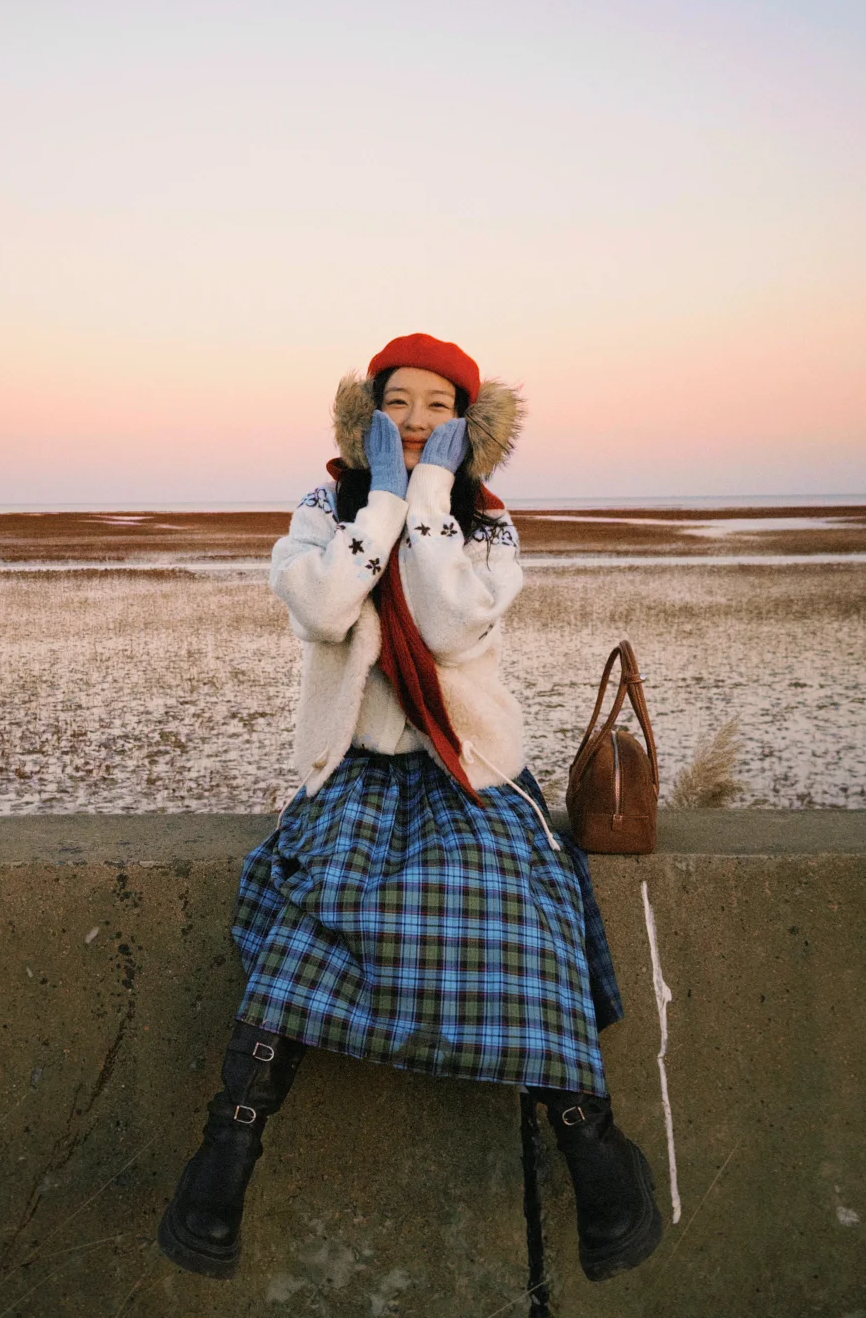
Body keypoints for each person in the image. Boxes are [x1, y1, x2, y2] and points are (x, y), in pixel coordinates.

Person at [157, 333, 663, 1283]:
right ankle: (226, 1154)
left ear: (470, 423)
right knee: (308, 912)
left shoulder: (488, 523)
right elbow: (321, 610)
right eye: (397, 402)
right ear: (368, 414)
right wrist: (382, 500)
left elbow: (450, 627)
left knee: (528, 912)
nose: (418, 419)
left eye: (439, 405)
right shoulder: (324, 508)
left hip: (469, 766)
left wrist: (427, 498)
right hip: (355, 767)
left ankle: (590, 1146)